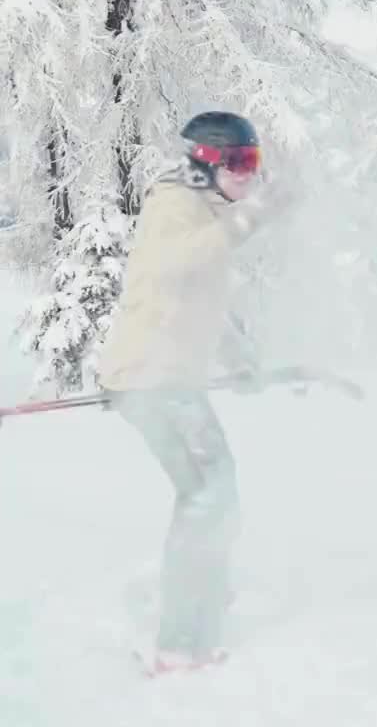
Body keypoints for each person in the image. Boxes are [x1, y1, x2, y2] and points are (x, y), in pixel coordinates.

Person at [98, 111, 274, 673]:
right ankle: (180, 638)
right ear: (205, 163)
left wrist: (239, 359)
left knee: (209, 492)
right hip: (154, 381)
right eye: (241, 163)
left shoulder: (198, 211)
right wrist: (249, 220)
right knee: (208, 494)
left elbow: (195, 304)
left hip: (168, 378)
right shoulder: (173, 207)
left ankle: (199, 603)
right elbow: (180, 265)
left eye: (255, 163)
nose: (249, 176)